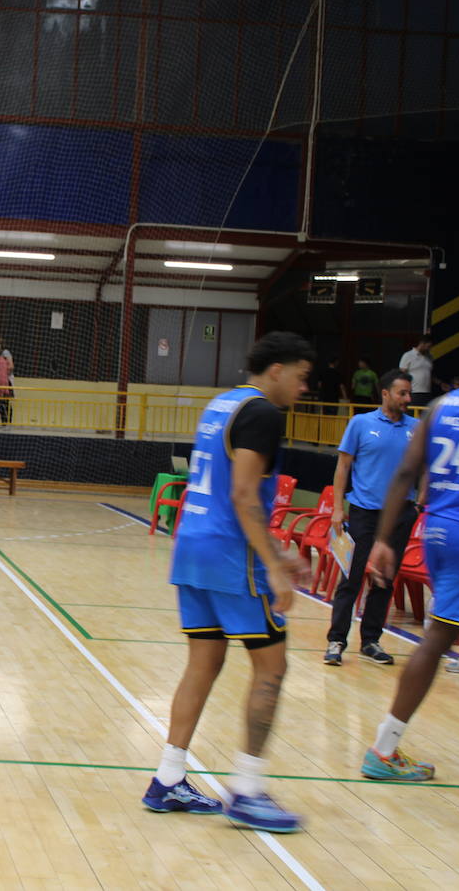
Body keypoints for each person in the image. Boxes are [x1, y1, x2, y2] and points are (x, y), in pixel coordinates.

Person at [139, 331, 314, 832]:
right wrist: (274, 565)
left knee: (205, 660)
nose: (304, 389)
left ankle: (169, 778)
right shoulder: (263, 414)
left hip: (191, 546)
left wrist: (280, 549)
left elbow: (226, 491)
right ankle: (248, 789)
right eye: (301, 378)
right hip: (230, 557)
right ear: (276, 370)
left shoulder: (223, 403)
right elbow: (241, 496)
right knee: (272, 668)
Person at [360, 330, 459, 781]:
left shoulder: (440, 406)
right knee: (440, 637)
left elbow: (404, 473)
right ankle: (384, 747)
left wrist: (382, 540)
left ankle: (385, 746)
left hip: (436, 527)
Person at [324, 370, 421, 666]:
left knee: (385, 579)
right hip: (363, 511)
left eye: (409, 393)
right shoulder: (360, 423)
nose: (407, 398)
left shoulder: (417, 428)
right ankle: (336, 640)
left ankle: (371, 640)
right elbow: (343, 467)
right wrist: (337, 508)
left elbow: (426, 467)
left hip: (401, 514)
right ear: (385, 393)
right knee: (351, 578)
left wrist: (420, 502)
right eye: (402, 393)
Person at [399, 335, 437, 408]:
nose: (429, 348)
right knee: (412, 416)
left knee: (424, 417)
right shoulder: (408, 355)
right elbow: (401, 374)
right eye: (428, 346)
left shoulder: (430, 357)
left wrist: (440, 383)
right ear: (422, 343)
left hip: (427, 393)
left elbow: (429, 374)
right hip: (413, 392)